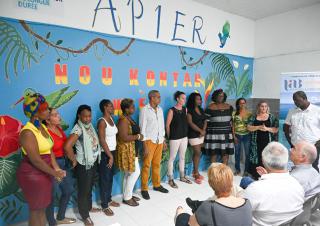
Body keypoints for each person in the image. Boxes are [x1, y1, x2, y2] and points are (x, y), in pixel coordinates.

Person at [16, 91, 65, 226]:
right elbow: (36, 160)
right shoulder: (27, 132)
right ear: (36, 113)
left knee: (42, 209)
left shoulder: (42, 127)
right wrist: (54, 173)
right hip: (33, 175)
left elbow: (49, 151)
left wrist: (56, 168)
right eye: (44, 109)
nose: (48, 112)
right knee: (36, 211)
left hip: (45, 173)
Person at [244, 142, 304, 226]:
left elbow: (241, 213)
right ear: (286, 160)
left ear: (263, 162)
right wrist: (267, 175)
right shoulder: (298, 185)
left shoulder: (255, 189)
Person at [175, 164, 252, 226]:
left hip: (205, 211)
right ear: (231, 180)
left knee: (181, 215)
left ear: (210, 183)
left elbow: (191, 223)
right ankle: (195, 205)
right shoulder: (247, 202)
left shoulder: (209, 207)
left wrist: (181, 213)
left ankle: (188, 208)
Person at [64, 105, 101, 226]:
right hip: (83, 165)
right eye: (85, 116)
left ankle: (89, 207)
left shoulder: (88, 126)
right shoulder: (78, 129)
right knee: (83, 191)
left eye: (89, 116)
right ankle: (85, 216)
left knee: (89, 187)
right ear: (79, 116)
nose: (87, 118)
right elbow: (67, 146)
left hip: (92, 162)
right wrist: (74, 160)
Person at [45, 108, 76, 226]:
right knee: (51, 196)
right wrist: (56, 169)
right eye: (55, 115)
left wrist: (72, 158)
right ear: (47, 120)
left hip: (64, 163)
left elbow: (65, 146)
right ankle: (51, 222)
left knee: (68, 190)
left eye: (58, 114)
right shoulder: (46, 133)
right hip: (52, 165)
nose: (59, 117)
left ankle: (60, 217)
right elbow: (48, 152)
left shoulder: (58, 128)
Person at [139, 90, 168, 200]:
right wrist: (145, 145)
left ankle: (156, 185)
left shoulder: (160, 110)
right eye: (158, 97)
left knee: (157, 164)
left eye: (159, 97)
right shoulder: (145, 110)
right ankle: (144, 189)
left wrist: (163, 140)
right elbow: (142, 128)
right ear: (151, 98)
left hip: (159, 141)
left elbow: (162, 126)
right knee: (146, 165)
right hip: (149, 141)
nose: (159, 99)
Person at [283, 91, 320, 171]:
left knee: (312, 168)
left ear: (305, 99)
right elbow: (285, 128)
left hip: (312, 147)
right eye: (294, 101)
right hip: (297, 148)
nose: (295, 102)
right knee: (297, 169)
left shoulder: (317, 111)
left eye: (297, 100)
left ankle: (315, 184)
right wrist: (291, 144)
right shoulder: (292, 111)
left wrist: (318, 143)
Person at [116, 98, 144, 206]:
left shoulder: (128, 118)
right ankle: (127, 197)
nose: (134, 108)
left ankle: (127, 195)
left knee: (129, 173)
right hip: (127, 151)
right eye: (132, 107)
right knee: (135, 172)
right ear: (126, 109)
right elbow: (123, 137)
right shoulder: (123, 120)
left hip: (132, 150)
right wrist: (138, 136)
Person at [97, 99, 120, 216]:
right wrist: (110, 156)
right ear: (105, 108)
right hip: (105, 154)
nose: (113, 108)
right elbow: (101, 140)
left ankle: (109, 199)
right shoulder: (102, 122)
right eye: (111, 106)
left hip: (112, 152)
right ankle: (104, 205)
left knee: (110, 178)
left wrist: (114, 153)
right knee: (104, 180)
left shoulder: (111, 119)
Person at [247, 101, 278, 180]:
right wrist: (258, 127)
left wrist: (266, 128)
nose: (264, 108)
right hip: (256, 142)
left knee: (267, 157)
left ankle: (267, 175)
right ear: (258, 107)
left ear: (267, 107)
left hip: (268, 142)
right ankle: (256, 175)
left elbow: (275, 129)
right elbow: (249, 128)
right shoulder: (253, 117)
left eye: (265, 106)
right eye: (262, 106)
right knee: (256, 157)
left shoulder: (272, 117)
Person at [166, 91, 191, 188]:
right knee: (172, 158)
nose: (184, 100)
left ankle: (182, 176)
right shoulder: (171, 110)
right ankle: (170, 179)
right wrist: (169, 137)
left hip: (184, 137)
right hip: (174, 138)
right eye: (182, 98)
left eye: (185, 98)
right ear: (177, 99)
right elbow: (167, 125)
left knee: (182, 157)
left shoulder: (185, 109)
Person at [204, 89, 234, 164]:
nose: (221, 97)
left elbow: (232, 122)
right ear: (215, 96)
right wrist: (203, 132)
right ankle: (213, 172)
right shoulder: (209, 108)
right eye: (219, 96)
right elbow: (206, 122)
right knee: (213, 154)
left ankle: (224, 171)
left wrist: (234, 135)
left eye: (222, 96)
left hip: (226, 134)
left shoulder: (230, 107)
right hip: (213, 134)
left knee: (225, 153)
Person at [186, 92, 207, 184]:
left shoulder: (201, 109)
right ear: (193, 100)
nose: (200, 101)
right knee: (197, 152)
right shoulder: (189, 110)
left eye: (200, 99)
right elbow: (190, 123)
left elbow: (205, 120)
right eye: (198, 99)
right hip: (193, 134)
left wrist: (204, 130)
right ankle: (196, 173)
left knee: (198, 153)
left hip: (201, 134)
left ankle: (195, 171)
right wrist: (200, 131)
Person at [233, 98, 252, 176]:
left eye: (244, 103)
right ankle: (237, 169)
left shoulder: (249, 114)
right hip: (237, 135)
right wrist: (234, 136)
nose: (242, 104)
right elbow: (233, 126)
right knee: (237, 153)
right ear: (238, 104)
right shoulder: (234, 113)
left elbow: (251, 126)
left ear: (245, 103)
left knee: (247, 154)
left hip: (247, 135)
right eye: (240, 103)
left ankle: (246, 171)